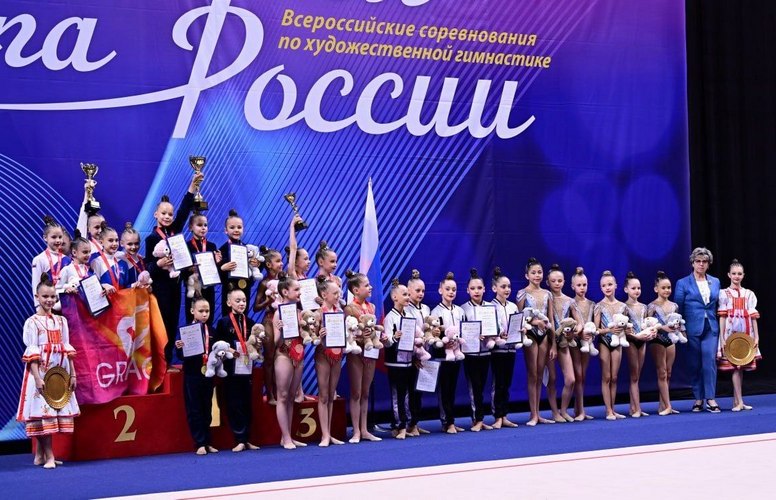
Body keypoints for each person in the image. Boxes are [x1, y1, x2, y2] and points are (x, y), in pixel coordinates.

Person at [18, 275, 79, 469]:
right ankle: (50, 456)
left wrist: (73, 374)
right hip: (41, 374)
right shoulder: (32, 322)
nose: (49, 300)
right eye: (45, 296)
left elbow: (67, 349)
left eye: (52, 296)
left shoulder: (61, 321)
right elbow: (32, 353)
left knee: (53, 411)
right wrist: (37, 378)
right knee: (44, 414)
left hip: (59, 374)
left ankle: (40, 455)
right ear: (37, 297)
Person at [144, 172, 200, 363]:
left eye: (170, 214)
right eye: (164, 213)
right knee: (160, 325)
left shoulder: (175, 232)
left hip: (175, 287)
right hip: (160, 289)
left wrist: (192, 187)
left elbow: (184, 211)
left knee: (172, 323)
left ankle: (167, 361)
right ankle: (158, 362)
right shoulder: (151, 239)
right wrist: (158, 264)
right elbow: (147, 267)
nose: (167, 217)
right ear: (156, 214)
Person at [675, 247, 721, 413]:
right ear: (692, 263)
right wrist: (681, 328)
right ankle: (698, 398)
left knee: (709, 361)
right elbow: (678, 307)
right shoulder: (682, 283)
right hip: (691, 328)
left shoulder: (715, 281)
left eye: (704, 261)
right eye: (698, 261)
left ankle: (711, 398)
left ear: (708, 264)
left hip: (711, 327)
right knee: (694, 364)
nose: (701, 264)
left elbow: (718, 304)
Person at [214, 287, 259, 452]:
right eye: (238, 300)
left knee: (247, 403)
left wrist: (258, 346)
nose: (242, 303)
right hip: (230, 369)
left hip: (246, 368)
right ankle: (239, 438)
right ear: (228, 303)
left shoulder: (251, 323)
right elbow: (217, 345)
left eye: (244, 300)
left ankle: (247, 438)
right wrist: (228, 349)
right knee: (234, 403)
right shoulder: (223, 322)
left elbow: (255, 343)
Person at [174, 295, 218, 455]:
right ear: (192, 311)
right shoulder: (185, 331)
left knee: (207, 408)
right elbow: (180, 356)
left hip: (208, 374)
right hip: (192, 374)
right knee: (195, 409)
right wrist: (179, 347)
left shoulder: (212, 331)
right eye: (201, 311)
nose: (205, 314)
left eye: (207, 311)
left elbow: (216, 352)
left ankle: (207, 442)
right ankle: (199, 443)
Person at [344, 269, 384, 442]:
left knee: (366, 392)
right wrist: (361, 337)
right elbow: (348, 333)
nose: (370, 287)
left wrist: (380, 336)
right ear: (356, 290)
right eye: (366, 285)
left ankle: (364, 429)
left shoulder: (372, 307)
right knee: (356, 392)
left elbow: (374, 329)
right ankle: (356, 431)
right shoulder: (349, 308)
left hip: (370, 352)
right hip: (356, 353)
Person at [516, 257, 556, 426]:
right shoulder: (522, 293)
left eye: (539, 272)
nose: (537, 275)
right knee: (532, 374)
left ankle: (538, 414)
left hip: (545, 336)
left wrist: (554, 344)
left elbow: (551, 320)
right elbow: (519, 318)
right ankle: (533, 414)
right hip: (531, 335)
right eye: (533, 273)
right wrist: (534, 322)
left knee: (540, 374)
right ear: (527, 275)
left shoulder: (548, 294)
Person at [717, 259, 761, 411]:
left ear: (743, 275)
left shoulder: (749, 294)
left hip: (746, 333)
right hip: (730, 334)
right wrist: (722, 338)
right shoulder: (724, 293)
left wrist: (756, 337)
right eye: (734, 273)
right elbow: (722, 317)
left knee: (741, 367)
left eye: (739, 274)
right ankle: (739, 401)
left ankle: (737, 401)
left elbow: (753, 316)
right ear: (729, 275)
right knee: (735, 367)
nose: (737, 276)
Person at [271, 273, 307, 449]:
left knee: (291, 396)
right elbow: (276, 343)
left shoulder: (300, 312)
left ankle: (288, 436)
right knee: (283, 396)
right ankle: (285, 438)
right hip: (283, 355)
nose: (300, 292)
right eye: (296, 289)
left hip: (298, 355)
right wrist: (279, 330)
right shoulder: (278, 313)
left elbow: (306, 337)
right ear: (285, 292)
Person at [430, 272, 466, 434]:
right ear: (440, 290)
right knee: (444, 390)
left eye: (454, 290)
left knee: (452, 389)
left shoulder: (459, 311)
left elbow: (464, 331)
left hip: (456, 354)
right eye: (448, 289)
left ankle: (451, 420)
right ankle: (447, 422)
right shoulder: (435, 312)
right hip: (442, 356)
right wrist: (444, 342)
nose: (451, 292)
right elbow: (433, 335)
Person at [460, 268, 494, 431]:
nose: (476, 291)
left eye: (479, 288)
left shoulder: (490, 307)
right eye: (473, 288)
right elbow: (461, 332)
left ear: (484, 289)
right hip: (470, 354)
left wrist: (495, 333)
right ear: (467, 290)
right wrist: (474, 336)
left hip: (486, 352)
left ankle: (480, 419)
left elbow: (495, 327)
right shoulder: (463, 309)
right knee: (474, 387)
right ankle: (477, 419)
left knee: (482, 386)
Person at [314, 275, 346, 446]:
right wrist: (319, 335)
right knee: (324, 395)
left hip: (337, 355)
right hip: (323, 355)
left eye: (339, 293)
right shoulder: (318, 313)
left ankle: (330, 433)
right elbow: (312, 338)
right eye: (335, 293)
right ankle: (324, 435)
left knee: (332, 395)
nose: (338, 296)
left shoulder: (340, 312)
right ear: (324, 295)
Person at [546, 264, 577, 423]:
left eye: (559, 280)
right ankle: (554, 412)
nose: (557, 283)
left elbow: (579, 323)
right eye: (553, 281)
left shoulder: (570, 301)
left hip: (564, 343)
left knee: (570, 379)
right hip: (549, 343)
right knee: (552, 379)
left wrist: (573, 332)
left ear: (564, 281)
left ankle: (563, 410)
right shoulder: (546, 298)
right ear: (547, 282)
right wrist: (552, 344)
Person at [383, 279, 413, 439]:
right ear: (395, 297)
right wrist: (394, 337)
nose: (408, 297)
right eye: (404, 294)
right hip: (395, 362)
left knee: (406, 394)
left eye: (408, 294)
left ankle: (405, 424)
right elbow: (386, 341)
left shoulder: (409, 315)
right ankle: (398, 425)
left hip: (408, 361)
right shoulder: (390, 318)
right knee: (397, 395)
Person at [253, 245, 284, 406]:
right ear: (269, 264)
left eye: (281, 260)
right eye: (278, 261)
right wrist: (268, 301)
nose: (281, 263)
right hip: (269, 320)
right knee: (270, 357)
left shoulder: (284, 281)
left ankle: (281, 392)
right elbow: (255, 307)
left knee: (282, 357)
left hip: (283, 321)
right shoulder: (264, 283)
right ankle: (270, 393)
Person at [594, 270, 626, 421]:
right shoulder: (599, 306)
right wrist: (609, 330)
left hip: (618, 342)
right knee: (606, 377)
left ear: (616, 286)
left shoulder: (622, 306)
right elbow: (596, 329)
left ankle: (613, 409)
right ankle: (608, 410)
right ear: (601, 288)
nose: (607, 288)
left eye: (610, 284)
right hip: (604, 342)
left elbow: (626, 326)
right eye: (604, 285)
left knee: (614, 377)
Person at [490, 267, 519, 429]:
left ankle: (504, 415)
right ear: (494, 288)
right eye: (503, 287)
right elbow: (489, 328)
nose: (507, 289)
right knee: (498, 383)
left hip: (511, 349)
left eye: (509, 286)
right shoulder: (490, 307)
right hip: (498, 350)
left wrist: (520, 331)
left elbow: (518, 324)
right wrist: (498, 334)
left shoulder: (513, 306)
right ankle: (497, 416)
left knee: (507, 383)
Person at [623, 272, 655, 418]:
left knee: (637, 376)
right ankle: (637, 408)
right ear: (626, 289)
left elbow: (647, 324)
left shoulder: (644, 307)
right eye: (633, 288)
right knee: (634, 375)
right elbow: (624, 330)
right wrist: (636, 336)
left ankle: (633, 407)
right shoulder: (624, 307)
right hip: (631, 340)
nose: (637, 291)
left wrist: (651, 332)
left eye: (639, 288)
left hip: (642, 341)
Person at [648, 271, 680, 415]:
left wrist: (679, 329)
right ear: (656, 289)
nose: (667, 290)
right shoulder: (652, 306)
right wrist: (661, 328)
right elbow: (647, 324)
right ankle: (668, 406)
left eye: (669, 287)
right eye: (663, 288)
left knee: (669, 372)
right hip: (658, 340)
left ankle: (663, 405)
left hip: (671, 340)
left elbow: (678, 323)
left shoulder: (674, 306)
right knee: (662, 372)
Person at [405, 269, 431, 436]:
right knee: (411, 391)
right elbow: (408, 334)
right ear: (409, 291)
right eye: (417, 290)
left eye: (423, 291)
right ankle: (409, 423)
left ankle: (416, 422)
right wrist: (414, 356)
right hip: (412, 357)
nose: (421, 293)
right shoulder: (406, 310)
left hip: (425, 355)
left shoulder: (427, 308)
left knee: (419, 391)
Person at [185, 213, 221, 323]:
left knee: (208, 319)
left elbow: (216, 271)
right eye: (199, 225)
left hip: (208, 289)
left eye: (205, 225)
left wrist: (218, 262)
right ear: (191, 227)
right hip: (193, 289)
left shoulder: (212, 246)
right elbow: (181, 270)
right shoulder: (186, 246)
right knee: (192, 320)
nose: (203, 228)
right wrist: (189, 269)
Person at [570, 267, 595, 421]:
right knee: (578, 375)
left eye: (584, 285)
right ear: (573, 286)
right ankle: (580, 411)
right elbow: (569, 324)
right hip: (575, 342)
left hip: (588, 342)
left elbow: (594, 324)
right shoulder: (571, 303)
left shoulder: (592, 304)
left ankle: (579, 409)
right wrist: (578, 334)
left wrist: (591, 334)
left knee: (583, 376)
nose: (582, 288)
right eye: (579, 285)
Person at [31, 216, 69, 307]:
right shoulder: (39, 259)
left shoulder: (67, 259)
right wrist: (38, 307)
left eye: (60, 237)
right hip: (47, 304)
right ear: (45, 238)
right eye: (54, 237)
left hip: (65, 304)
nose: (58, 240)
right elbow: (36, 284)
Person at [91, 222, 130, 294]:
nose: (114, 244)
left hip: (122, 300)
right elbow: (92, 287)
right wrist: (103, 286)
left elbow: (127, 286)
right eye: (110, 240)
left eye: (116, 240)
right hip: (106, 300)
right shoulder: (97, 262)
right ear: (101, 242)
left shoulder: (123, 263)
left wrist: (137, 285)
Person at [119, 222, 148, 288]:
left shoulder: (142, 259)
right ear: (122, 243)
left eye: (136, 243)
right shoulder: (120, 261)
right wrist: (132, 286)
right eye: (130, 244)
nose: (134, 247)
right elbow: (120, 286)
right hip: (129, 293)